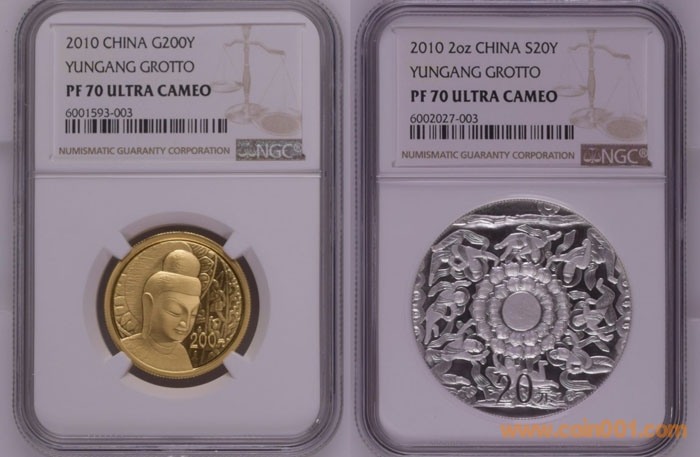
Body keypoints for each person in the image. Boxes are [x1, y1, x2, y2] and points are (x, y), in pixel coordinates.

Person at [122, 249, 202, 371]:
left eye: (193, 314)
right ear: (149, 304)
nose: (185, 323)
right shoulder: (127, 349)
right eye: (175, 312)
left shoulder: (181, 354)